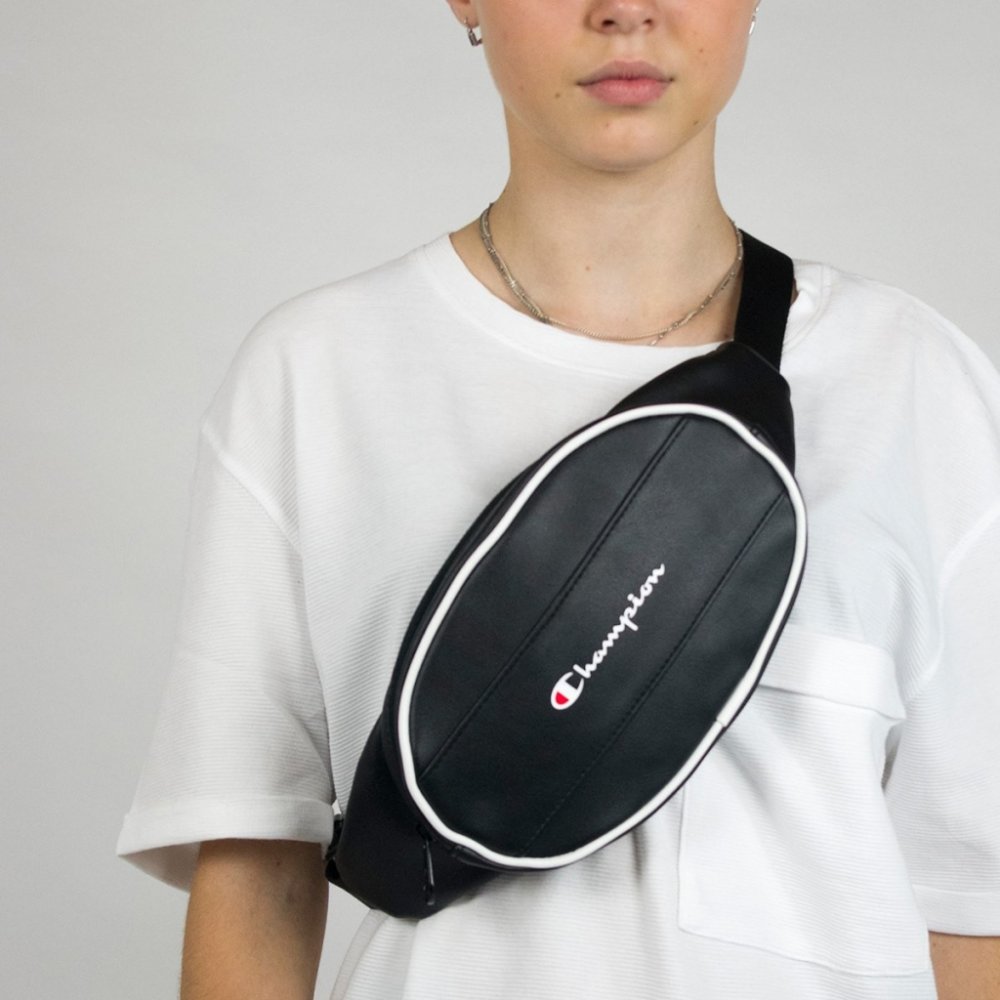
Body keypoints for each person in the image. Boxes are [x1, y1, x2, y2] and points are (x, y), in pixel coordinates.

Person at [116, 1, 1000, 997]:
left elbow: (975, 903)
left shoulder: (916, 386)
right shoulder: (314, 377)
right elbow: (258, 870)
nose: (625, 9)